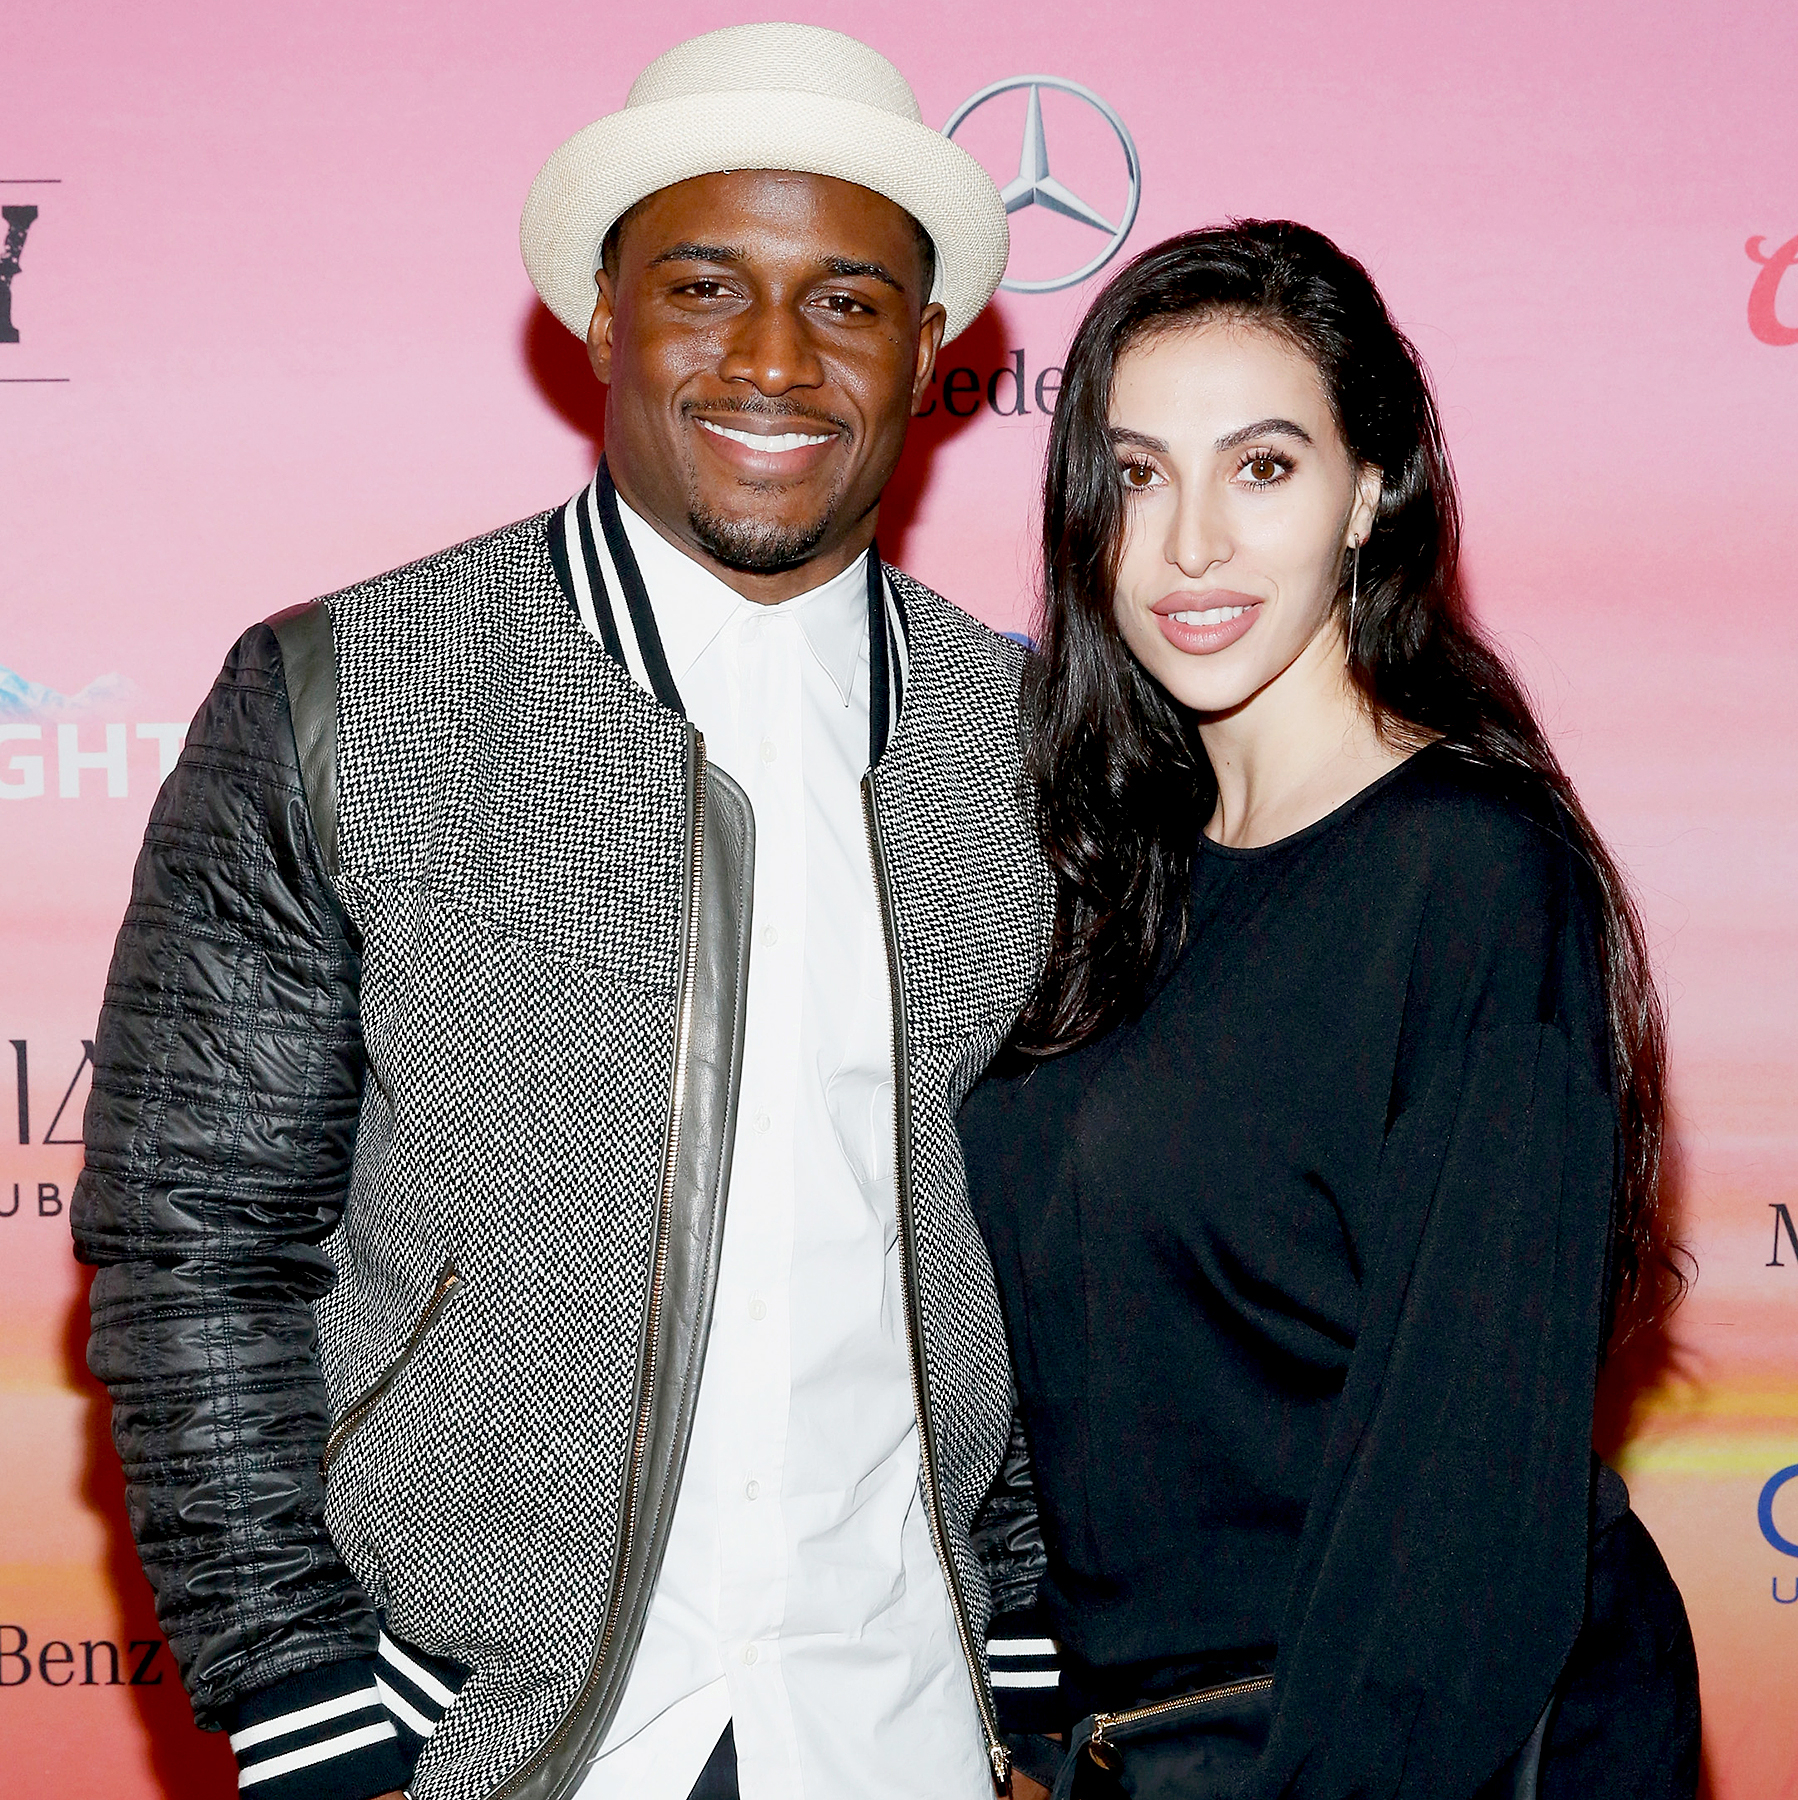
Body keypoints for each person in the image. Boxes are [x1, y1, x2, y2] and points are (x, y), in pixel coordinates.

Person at [72, 25, 1056, 1800]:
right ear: (604, 322)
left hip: (904, 1712)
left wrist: (1032, 1668)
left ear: (926, 358)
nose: (772, 357)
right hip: (487, 1730)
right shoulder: (345, 688)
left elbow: (1063, 1239)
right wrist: (307, 1707)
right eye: (704, 285)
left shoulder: (1041, 749)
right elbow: (195, 1239)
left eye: (845, 301)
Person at [959, 222, 1701, 1800]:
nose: (1191, 548)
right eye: (1139, 474)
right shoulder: (1115, 879)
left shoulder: (1470, 879)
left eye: (1264, 468)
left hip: (1382, 1746)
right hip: (1143, 1745)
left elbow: (1463, 1501)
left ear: (1372, 492)